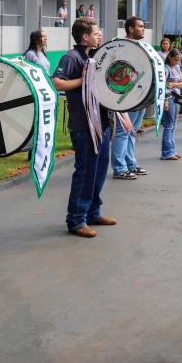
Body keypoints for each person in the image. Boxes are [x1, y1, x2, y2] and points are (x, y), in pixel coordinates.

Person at [52, 17, 116, 238]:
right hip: (83, 125)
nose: (100, 35)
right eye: (96, 32)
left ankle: (92, 212)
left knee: (99, 170)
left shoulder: (96, 56)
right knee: (85, 171)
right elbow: (57, 82)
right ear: (85, 37)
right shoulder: (72, 57)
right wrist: (82, 80)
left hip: (102, 123)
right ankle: (76, 219)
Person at [110, 16, 149, 180]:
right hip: (127, 97)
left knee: (132, 132)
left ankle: (130, 164)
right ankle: (119, 168)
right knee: (122, 132)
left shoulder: (143, 46)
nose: (143, 29)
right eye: (140, 26)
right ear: (131, 29)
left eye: (143, 26)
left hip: (142, 95)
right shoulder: (121, 45)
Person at [161, 49, 182, 160]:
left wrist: (174, 84)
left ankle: (172, 150)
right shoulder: (165, 69)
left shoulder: (176, 67)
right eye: (175, 59)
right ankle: (166, 152)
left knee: (173, 126)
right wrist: (165, 101)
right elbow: (163, 85)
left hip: (176, 97)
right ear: (170, 57)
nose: (177, 62)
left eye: (178, 60)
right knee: (169, 126)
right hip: (169, 98)